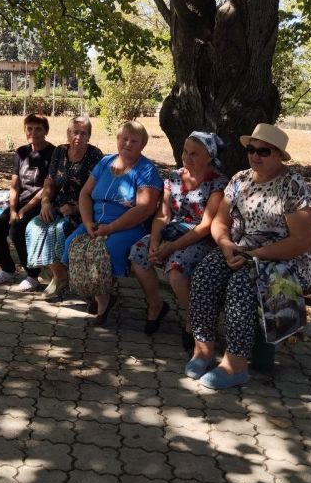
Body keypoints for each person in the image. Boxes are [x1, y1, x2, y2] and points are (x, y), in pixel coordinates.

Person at [187, 123, 311, 389]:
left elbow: (302, 240)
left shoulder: (292, 185)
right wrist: (224, 244)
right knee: (205, 274)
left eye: (264, 151)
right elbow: (220, 222)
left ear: (279, 154)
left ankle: (235, 365)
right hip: (241, 251)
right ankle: (203, 350)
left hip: (285, 261)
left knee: (242, 285)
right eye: (251, 149)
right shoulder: (240, 179)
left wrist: (255, 254)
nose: (255, 155)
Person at [129, 131, 228, 349]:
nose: (186, 157)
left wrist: (170, 247)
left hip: (199, 238)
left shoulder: (218, 183)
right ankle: (156, 304)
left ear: (209, 157)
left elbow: (205, 226)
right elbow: (163, 215)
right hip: (171, 232)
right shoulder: (173, 178)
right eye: (185, 151)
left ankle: (193, 319)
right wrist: (155, 240)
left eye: (194, 153)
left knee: (176, 270)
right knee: (138, 253)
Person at [63, 121, 163, 325]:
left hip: (128, 226)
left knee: (105, 252)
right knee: (71, 244)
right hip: (96, 222)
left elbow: (144, 209)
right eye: (124, 139)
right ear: (117, 140)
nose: (128, 143)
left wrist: (110, 228)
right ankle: (98, 294)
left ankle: (107, 301)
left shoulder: (146, 170)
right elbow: (85, 194)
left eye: (134, 141)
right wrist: (88, 222)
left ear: (143, 144)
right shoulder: (105, 162)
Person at [22, 116, 102, 294]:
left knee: (57, 229)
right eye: (75, 132)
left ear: (89, 136)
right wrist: (45, 203)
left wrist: (75, 208)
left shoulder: (95, 155)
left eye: (83, 133)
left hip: (81, 210)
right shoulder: (59, 151)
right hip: (56, 205)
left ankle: (60, 278)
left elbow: (95, 191)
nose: (78, 137)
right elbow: (50, 182)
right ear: (68, 133)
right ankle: (59, 275)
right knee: (34, 227)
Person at [0, 114, 54, 285]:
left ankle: (32, 275)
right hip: (19, 202)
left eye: (38, 129)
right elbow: (15, 185)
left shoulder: (53, 153)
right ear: (25, 131)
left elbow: (47, 188)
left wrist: (23, 211)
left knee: (16, 230)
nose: (34, 132)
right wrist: (12, 210)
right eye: (29, 129)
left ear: (46, 131)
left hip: (41, 203)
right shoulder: (21, 152)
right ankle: (7, 269)